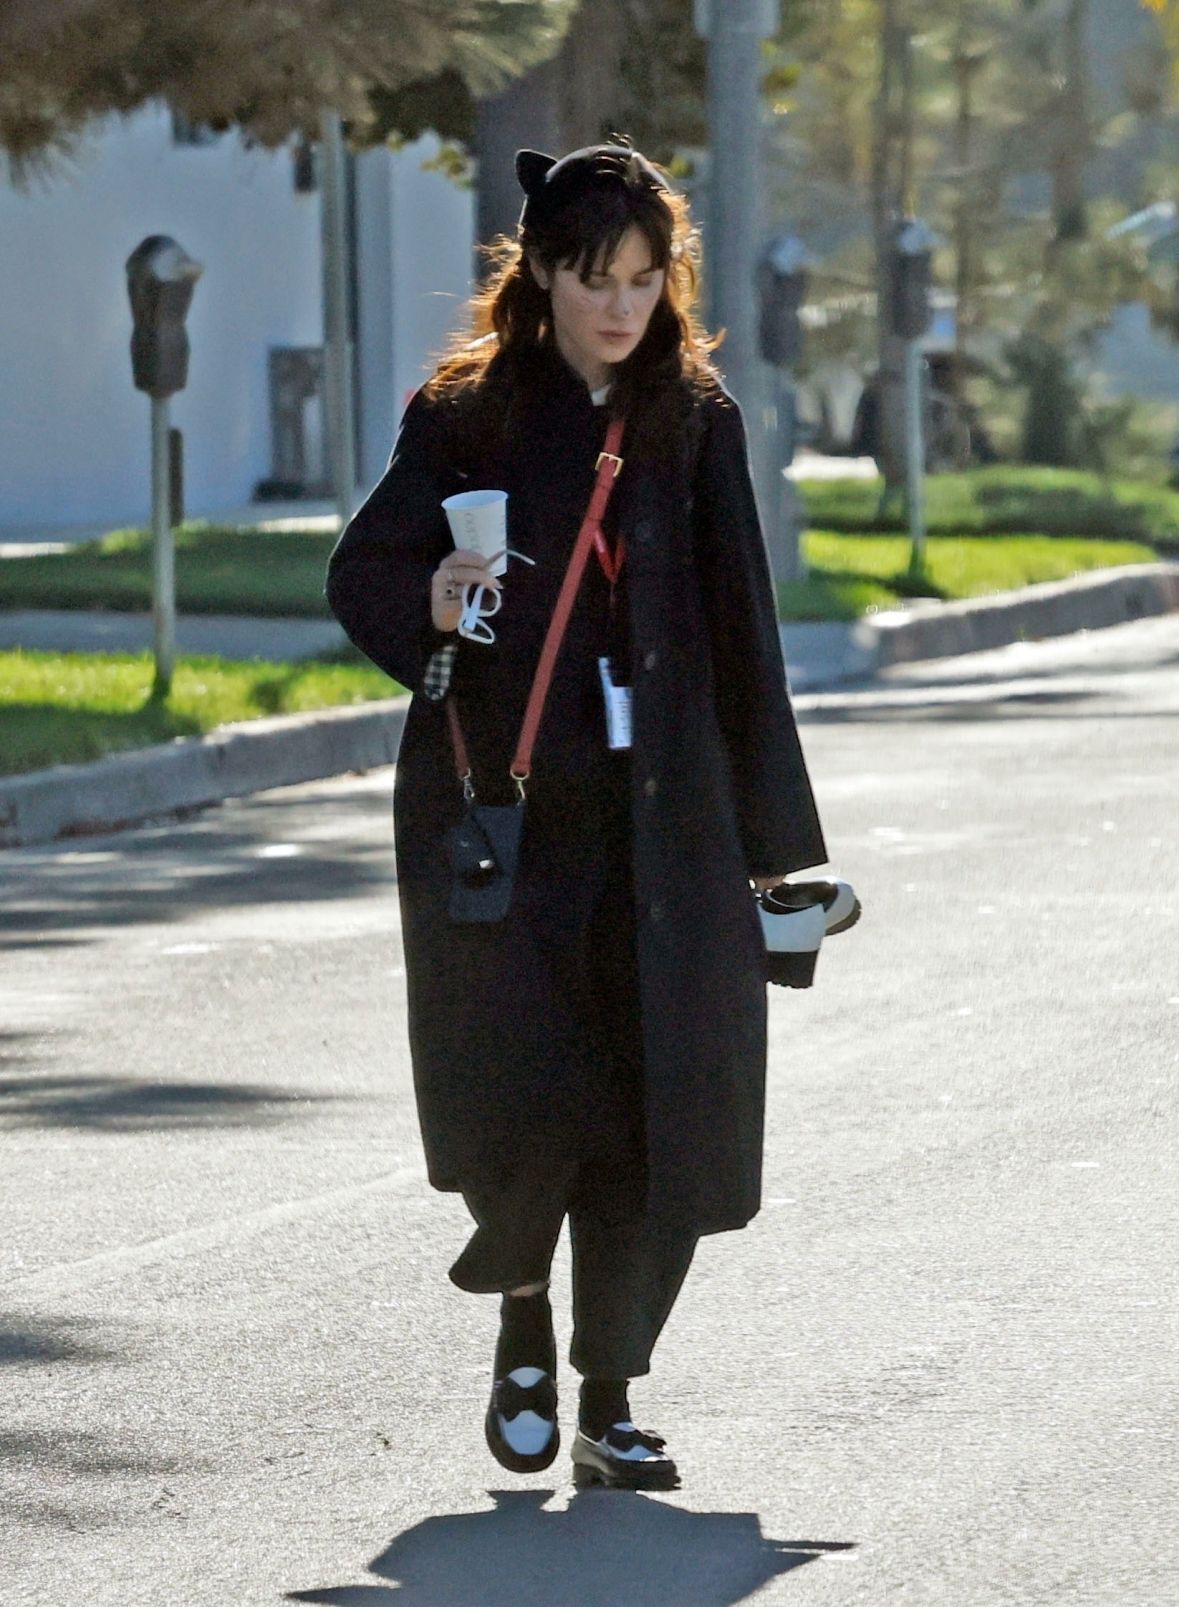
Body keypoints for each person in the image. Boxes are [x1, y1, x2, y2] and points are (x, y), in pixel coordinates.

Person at [325, 140, 827, 1491]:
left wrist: (784, 856)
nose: (622, 306)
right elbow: (366, 570)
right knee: (524, 1087)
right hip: (509, 808)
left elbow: (745, 642)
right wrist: (436, 598)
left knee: (655, 1102)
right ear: (540, 272)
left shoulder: (696, 420)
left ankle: (611, 1397)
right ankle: (524, 1329)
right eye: (595, 277)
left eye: (646, 278)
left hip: (666, 823)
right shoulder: (466, 416)